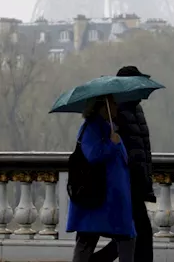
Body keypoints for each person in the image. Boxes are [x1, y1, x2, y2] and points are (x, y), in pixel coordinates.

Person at [90, 66, 155, 262]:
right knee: (137, 231)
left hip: (135, 180)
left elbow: (143, 148)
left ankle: (96, 260)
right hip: (125, 180)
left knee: (131, 232)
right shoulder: (116, 112)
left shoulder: (134, 109)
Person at [67, 95, 137, 262]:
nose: (116, 107)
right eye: (112, 103)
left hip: (109, 197)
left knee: (124, 237)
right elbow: (93, 155)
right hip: (99, 197)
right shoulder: (91, 127)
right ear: (102, 106)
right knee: (90, 240)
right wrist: (113, 144)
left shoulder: (108, 127)